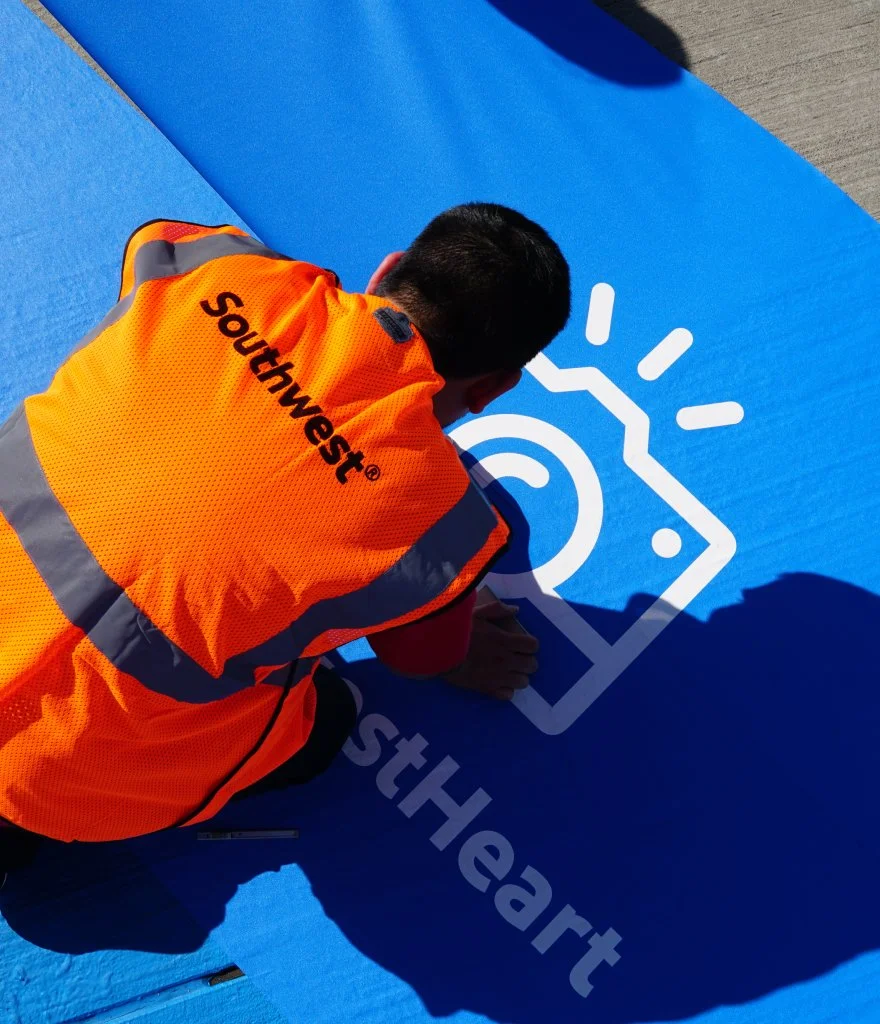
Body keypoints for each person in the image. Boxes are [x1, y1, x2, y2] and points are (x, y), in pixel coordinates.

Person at [0, 202, 570, 885]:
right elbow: (423, 656)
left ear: (386, 270)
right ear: (496, 388)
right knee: (328, 721)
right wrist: (465, 646)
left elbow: (161, 236)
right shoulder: (443, 525)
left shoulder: (216, 269)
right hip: (64, 787)